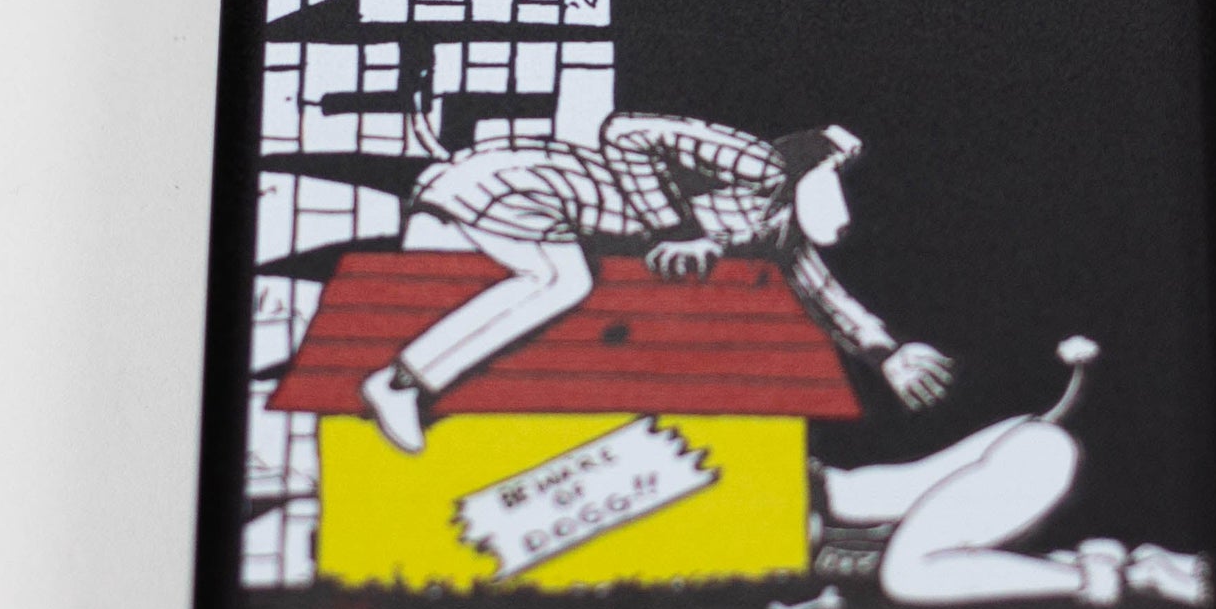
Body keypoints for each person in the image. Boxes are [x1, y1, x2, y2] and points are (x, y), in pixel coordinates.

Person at [361, 111, 956, 452]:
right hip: (519, 186)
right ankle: (401, 382)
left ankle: (404, 382)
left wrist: (886, 354)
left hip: (533, 214)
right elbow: (626, 131)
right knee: (559, 283)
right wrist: (679, 229)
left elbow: (826, 297)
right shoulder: (759, 163)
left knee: (558, 283)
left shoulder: (780, 232)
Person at [811, 339, 1214, 607]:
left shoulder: (785, 489)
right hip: (1026, 451)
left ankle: (1127, 579)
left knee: (905, 575)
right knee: (907, 568)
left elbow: (870, 497)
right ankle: (1137, 567)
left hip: (1030, 458)